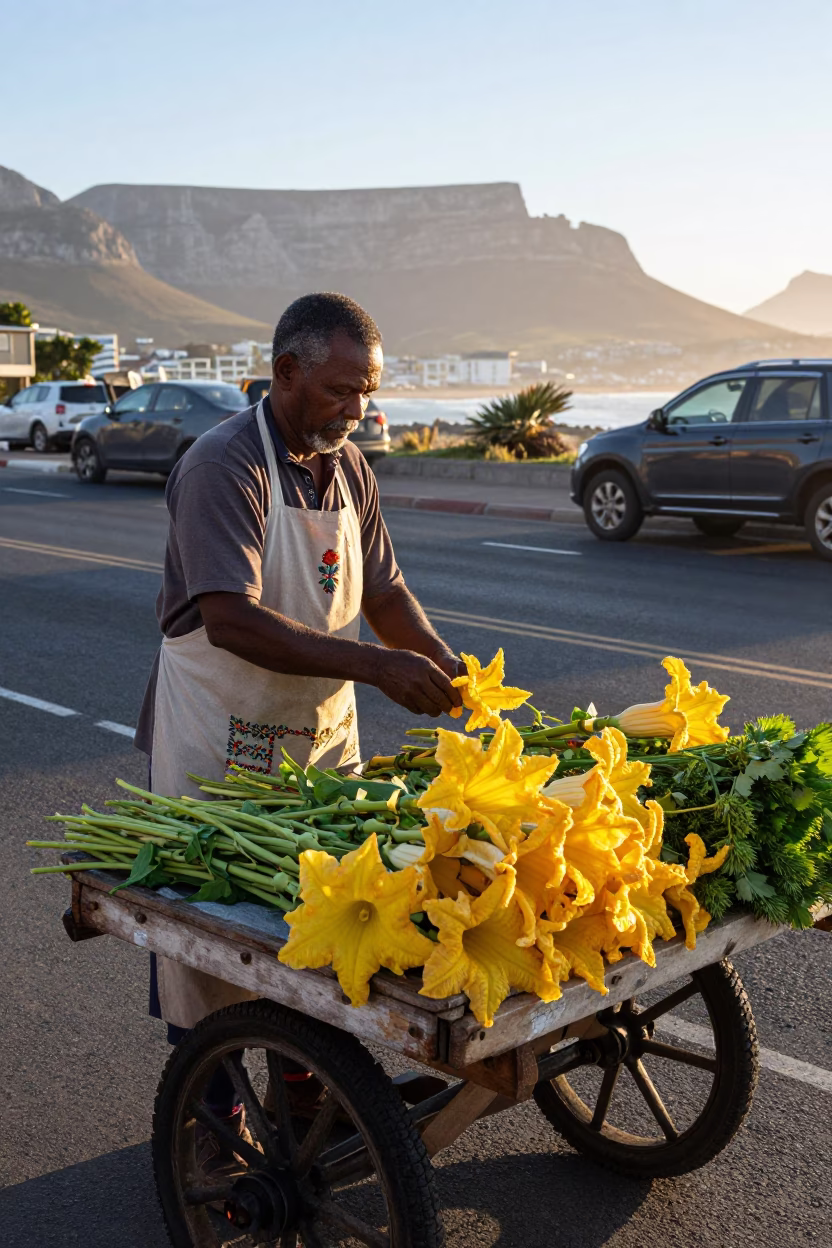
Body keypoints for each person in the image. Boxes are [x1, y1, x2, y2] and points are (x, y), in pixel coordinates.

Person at [134, 293, 464, 1147]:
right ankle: (212, 1114)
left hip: (317, 732)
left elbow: (385, 592)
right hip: (219, 727)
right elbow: (232, 619)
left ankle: (307, 1089)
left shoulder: (349, 466)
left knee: (323, 921)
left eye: (370, 392)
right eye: (342, 390)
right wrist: (378, 668)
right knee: (215, 937)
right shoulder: (224, 465)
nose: (359, 410)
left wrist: (434, 660)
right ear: (285, 373)